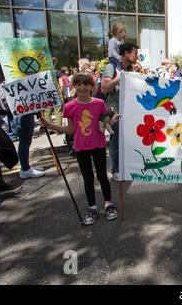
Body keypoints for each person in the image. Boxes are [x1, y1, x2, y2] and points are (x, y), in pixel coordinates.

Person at [40, 73, 120, 225]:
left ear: (91, 87)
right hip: (81, 147)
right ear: (74, 86)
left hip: (98, 145)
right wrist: (51, 126)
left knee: (102, 176)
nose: (82, 87)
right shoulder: (69, 106)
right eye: (79, 84)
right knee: (87, 178)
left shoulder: (99, 103)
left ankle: (109, 204)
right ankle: (92, 207)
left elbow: (104, 124)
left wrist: (114, 119)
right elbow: (71, 130)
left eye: (86, 84)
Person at [100, 42, 138, 180]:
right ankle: (115, 170)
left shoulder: (128, 68)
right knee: (116, 141)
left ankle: (124, 167)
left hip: (127, 111)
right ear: (126, 53)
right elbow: (104, 87)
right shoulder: (112, 67)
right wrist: (119, 77)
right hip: (114, 111)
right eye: (134, 53)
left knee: (125, 141)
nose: (137, 56)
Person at [44, 57, 64, 129]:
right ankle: (58, 128)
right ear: (54, 63)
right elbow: (61, 84)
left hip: (46, 91)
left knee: (47, 111)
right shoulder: (57, 72)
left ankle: (49, 128)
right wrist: (62, 92)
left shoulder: (44, 72)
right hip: (56, 90)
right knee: (58, 110)